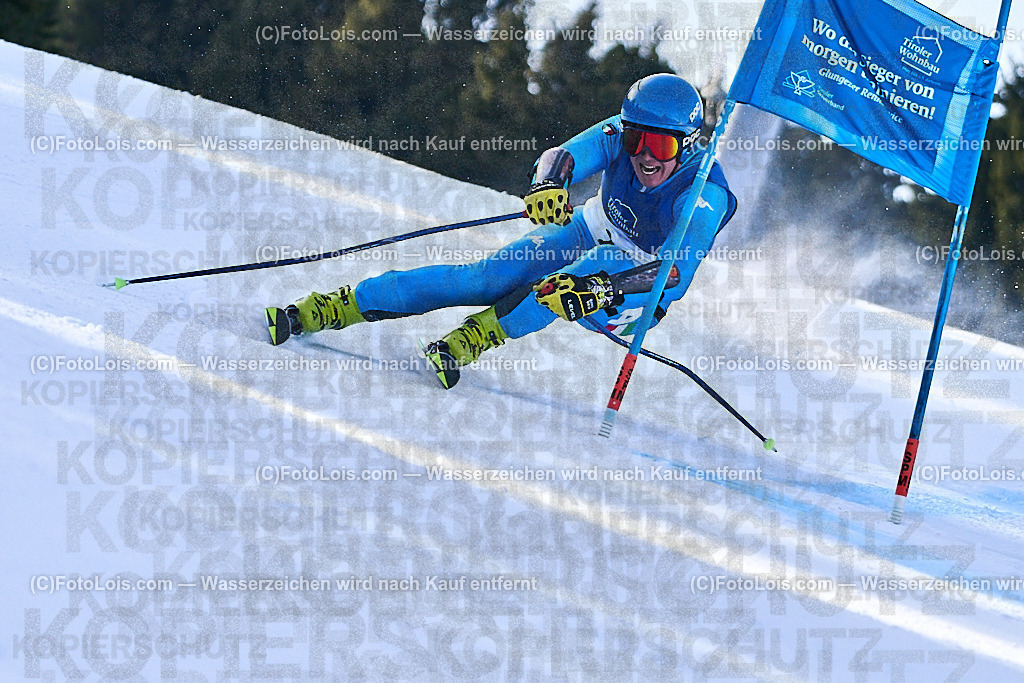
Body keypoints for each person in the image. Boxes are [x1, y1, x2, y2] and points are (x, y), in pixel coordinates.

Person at [265, 73, 737, 389]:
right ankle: (336, 305)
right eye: (637, 139)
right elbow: (563, 156)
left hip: (634, 281)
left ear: (688, 142)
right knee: (482, 278)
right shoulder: (623, 132)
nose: (644, 155)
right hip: (596, 225)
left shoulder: (704, 193)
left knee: (562, 287)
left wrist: (599, 290)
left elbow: (674, 276)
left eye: (660, 144)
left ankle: (478, 336)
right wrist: (548, 185)